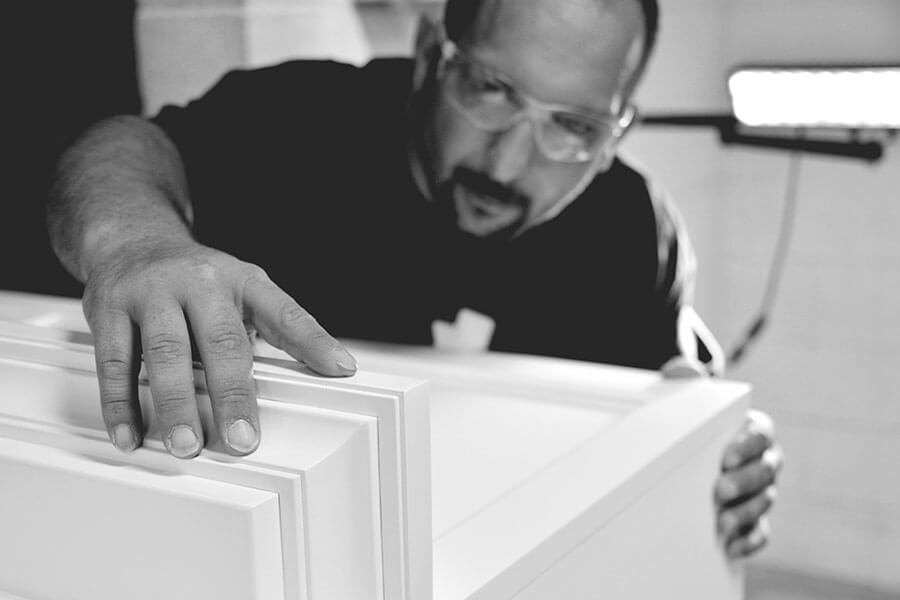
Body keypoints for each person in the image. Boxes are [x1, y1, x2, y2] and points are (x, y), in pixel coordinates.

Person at [47, 0, 782, 559]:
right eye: (491, 89)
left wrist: (721, 446)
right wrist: (136, 242)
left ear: (617, 126)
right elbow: (125, 147)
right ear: (434, 52)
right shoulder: (297, 117)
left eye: (575, 128)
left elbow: (682, 377)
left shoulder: (632, 226)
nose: (506, 166)